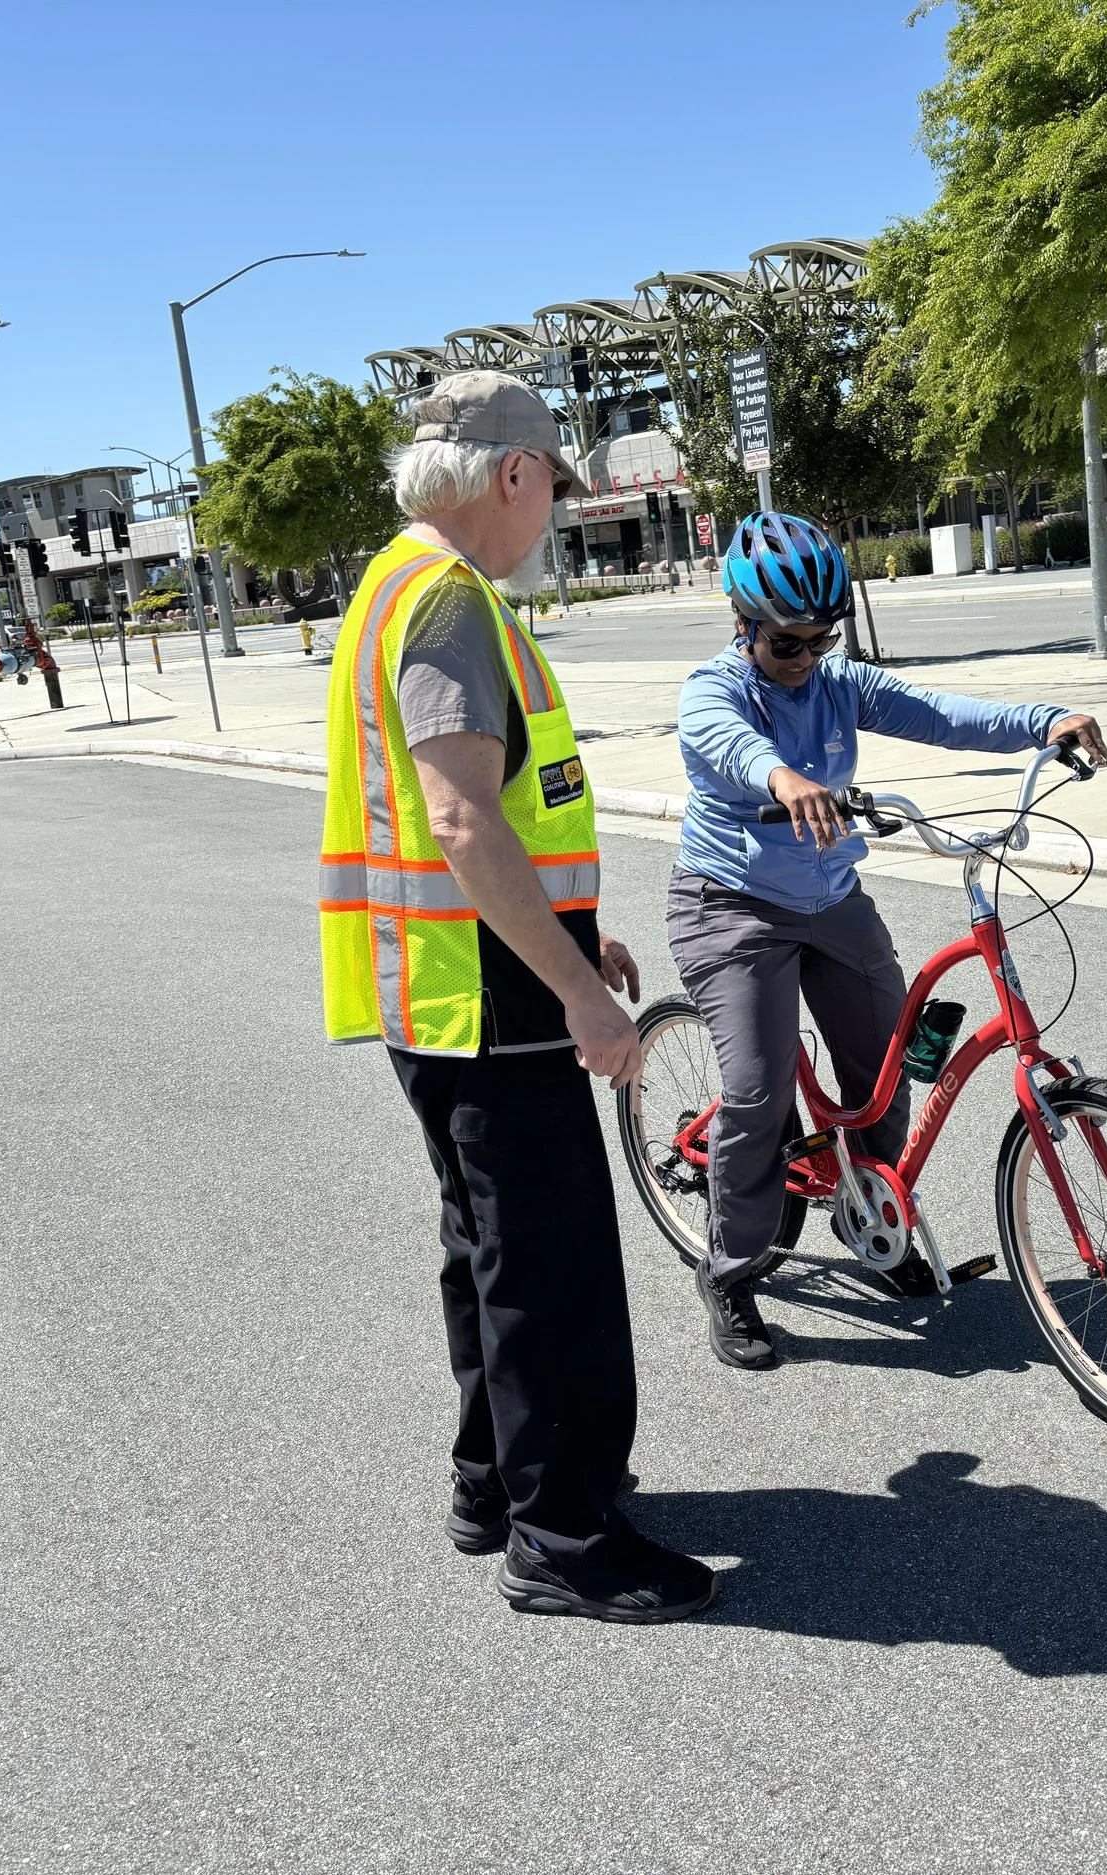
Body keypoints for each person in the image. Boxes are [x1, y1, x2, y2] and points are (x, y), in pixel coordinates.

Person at [318, 370, 716, 1624]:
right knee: (553, 1273)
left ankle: (492, 1481)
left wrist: (574, 941)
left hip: (440, 987)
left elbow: (482, 825)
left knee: (488, 1250)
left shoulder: (392, 581)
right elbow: (460, 820)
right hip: (488, 998)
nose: (553, 513)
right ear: (513, 474)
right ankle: (567, 1536)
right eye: (552, 483)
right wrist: (579, 995)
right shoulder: (447, 604)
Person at [670, 512, 1107, 1370]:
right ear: (745, 626)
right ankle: (730, 1271)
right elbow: (725, 742)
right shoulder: (713, 689)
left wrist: (1046, 720)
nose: (808, 658)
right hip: (729, 906)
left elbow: (939, 711)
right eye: (789, 644)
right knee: (759, 1093)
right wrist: (786, 775)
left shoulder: (838, 683)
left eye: (821, 639)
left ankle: (876, 1213)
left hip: (830, 895)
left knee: (895, 1060)